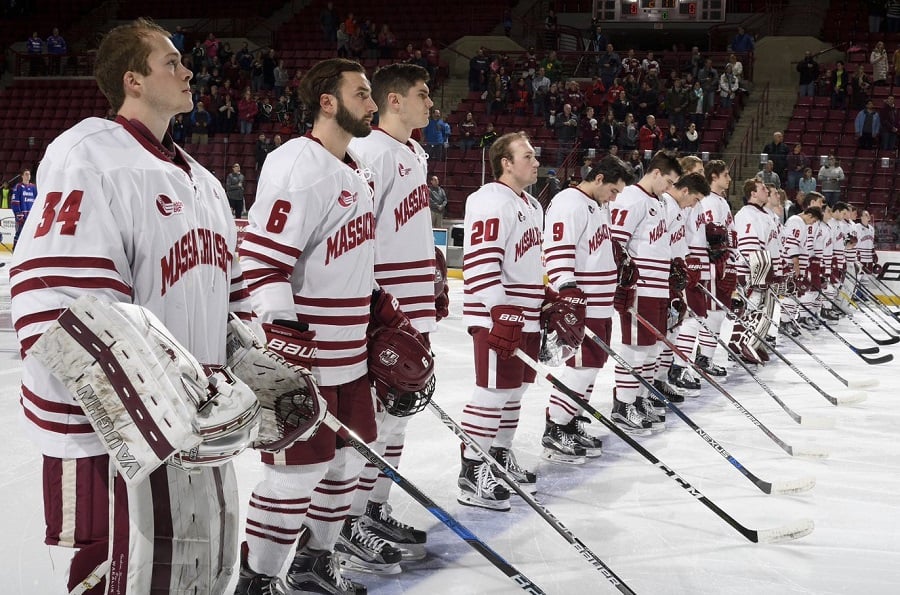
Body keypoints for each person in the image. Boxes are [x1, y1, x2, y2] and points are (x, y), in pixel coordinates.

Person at [10, 19, 262, 594]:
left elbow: (231, 298)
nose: (188, 70)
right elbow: (59, 299)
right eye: (171, 62)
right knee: (112, 571)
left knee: (190, 572)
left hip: (190, 423)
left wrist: (247, 360)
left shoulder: (203, 181)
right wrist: (159, 398)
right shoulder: (87, 153)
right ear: (133, 81)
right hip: (107, 430)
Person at [236, 58, 411, 593]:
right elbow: (263, 261)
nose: (373, 103)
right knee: (297, 474)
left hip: (351, 352)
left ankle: (315, 559)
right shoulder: (298, 163)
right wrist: (284, 336)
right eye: (361, 93)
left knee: (348, 465)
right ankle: (259, 577)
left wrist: (380, 306)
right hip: (307, 353)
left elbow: (351, 257)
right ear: (327, 102)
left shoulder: (355, 168)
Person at [342, 62, 439, 572]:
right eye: (423, 95)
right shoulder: (368, 152)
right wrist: (374, 305)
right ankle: (346, 520)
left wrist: (435, 274)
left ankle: (372, 507)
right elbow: (357, 236)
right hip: (385, 310)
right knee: (373, 422)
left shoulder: (414, 153)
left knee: (399, 419)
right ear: (394, 101)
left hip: (414, 304)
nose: (431, 104)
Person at [458, 132, 544, 510]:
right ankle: (471, 470)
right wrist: (497, 308)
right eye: (528, 156)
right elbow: (478, 263)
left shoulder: (532, 205)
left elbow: (528, 263)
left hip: (526, 316)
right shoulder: (489, 200)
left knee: (515, 391)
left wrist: (548, 298)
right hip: (498, 318)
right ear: (505, 163)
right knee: (491, 392)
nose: (536, 161)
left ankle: (498, 454)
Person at [541, 154, 634, 464]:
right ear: (598, 179)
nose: (615, 198)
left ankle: (572, 419)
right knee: (581, 366)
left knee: (593, 365)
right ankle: (556, 427)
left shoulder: (597, 205)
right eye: (614, 190)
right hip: (584, 302)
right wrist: (567, 290)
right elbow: (557, 248)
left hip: (601, 302)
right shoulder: (570, 202)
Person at [608, 151, 684, 434]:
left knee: (652, 348)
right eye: (668, 181)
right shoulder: (632, 197)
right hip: (640, 288)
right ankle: (624, 404)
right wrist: (623, 283)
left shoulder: (661, 202)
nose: (669, 188)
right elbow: (617, 243)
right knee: (635, 348)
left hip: (659, 286)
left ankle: (639, 399)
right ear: (655, 173)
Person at [11, 168, 37, 249]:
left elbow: (37, 201)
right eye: (26, 174)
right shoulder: (18, 187)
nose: (28, 176)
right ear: (22, 176)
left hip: (31, 217)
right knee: (19, 233)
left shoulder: (33, 187)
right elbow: (14, 202)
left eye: (29, 174)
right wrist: (18, 213)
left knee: (31, 234)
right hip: (22, 216)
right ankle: (15, 250)